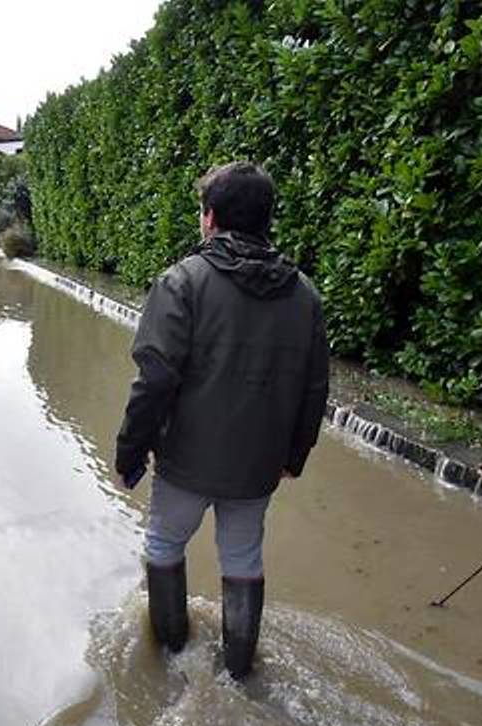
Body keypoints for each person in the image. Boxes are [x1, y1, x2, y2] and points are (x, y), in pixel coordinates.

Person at [114, 161, 330, 679]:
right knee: (243, 558)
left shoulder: (182, 282)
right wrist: (294, 457)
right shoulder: (304, 295)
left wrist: (130, 451)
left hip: (185, 461)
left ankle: (172, 655)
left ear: (210, 217)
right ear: (267, 219)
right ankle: (238, 673)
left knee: (164, 544)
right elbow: (314, 388)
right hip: (258, 466)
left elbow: (155, 380)